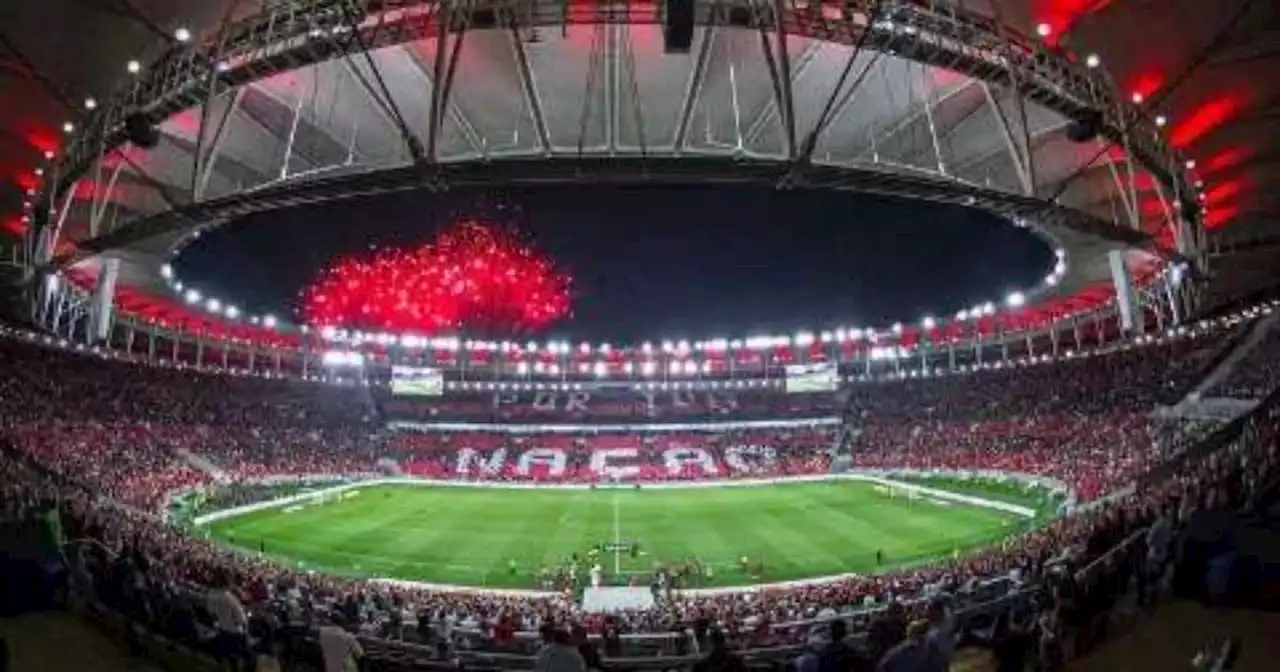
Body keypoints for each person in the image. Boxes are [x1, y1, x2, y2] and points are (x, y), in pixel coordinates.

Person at [206, 573, 252, 672]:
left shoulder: (211, 593)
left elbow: (211, 612)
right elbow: (241, 619)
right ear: (227, 584)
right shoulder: (229, 598)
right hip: (234, 634)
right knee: (249, 657)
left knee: (232, 656)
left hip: (222, 630)